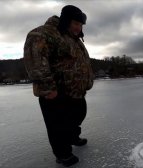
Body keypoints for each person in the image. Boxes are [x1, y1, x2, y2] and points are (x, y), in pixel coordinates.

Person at [23, 5, 94, 167]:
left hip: (75, 91)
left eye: (81, 24)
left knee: (78, 115)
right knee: (57, 126)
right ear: (66, 20)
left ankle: (72, 137)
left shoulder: (73, 39)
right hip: (56, 92)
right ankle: (63, 154)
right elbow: (35, 61)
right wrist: (48, 88)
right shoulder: (43, 33)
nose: (79, 27)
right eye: (76, 23)